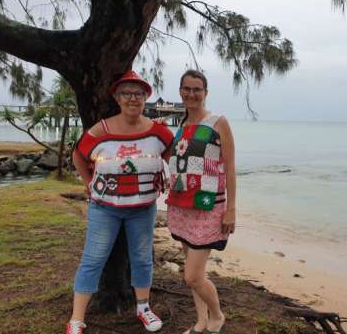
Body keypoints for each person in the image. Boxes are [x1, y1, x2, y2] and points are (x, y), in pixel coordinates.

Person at [66, 70, 174, 334]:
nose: (132, 98)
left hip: (143, 208)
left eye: (138, 93)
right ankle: (77, 319)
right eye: (126, 93)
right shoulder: (101, 130)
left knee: (142, 259)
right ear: (117, 97)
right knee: (93, 259)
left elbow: (171, 154)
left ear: (146, 97)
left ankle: (143, 308)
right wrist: (87, 182)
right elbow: (79, 155)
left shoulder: (159, 132)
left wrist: (161, 175)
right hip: (105, 209)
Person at [166, 69, 236, 334]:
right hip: (182, 206)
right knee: (194, 274)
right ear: (180, 91)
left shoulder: (218, 122)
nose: (191, 94)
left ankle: (217, 315)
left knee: (192, 275)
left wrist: (231, 208)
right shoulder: (181, 126)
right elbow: (180, 164)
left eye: (197, 89)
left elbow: (229, 168)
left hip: (209, 207)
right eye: (187, 88)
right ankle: (201, 321)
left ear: (205, 93)